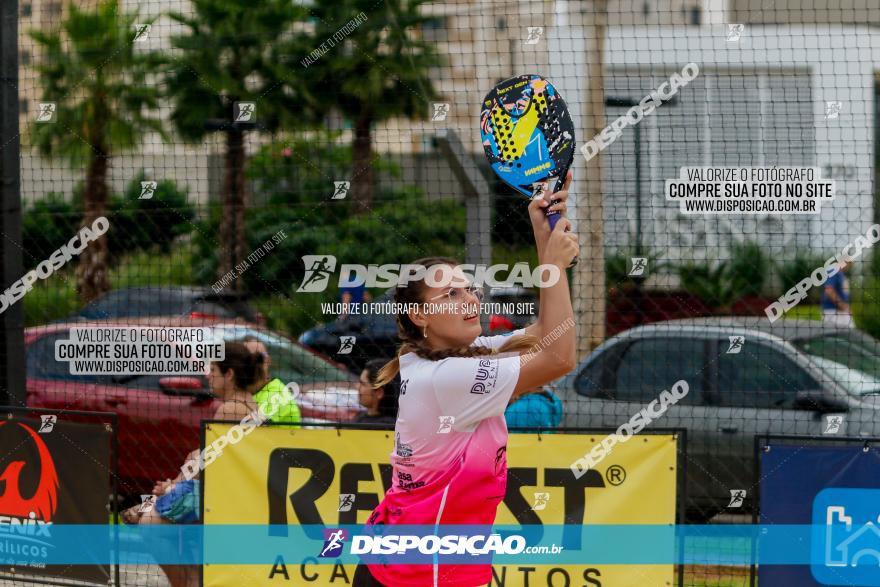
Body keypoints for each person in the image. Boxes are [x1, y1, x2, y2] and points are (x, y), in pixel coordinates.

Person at [353, 172, 579, 587]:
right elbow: (560, 357)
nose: (470, 299)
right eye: (450, 295)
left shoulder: (462, 355)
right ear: (420, 317)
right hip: (415, 575)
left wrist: (542, 232)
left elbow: (549, 331)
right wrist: (553, 268)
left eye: (468, 288)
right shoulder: (448, 376)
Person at [121, 342, 266, 587]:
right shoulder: (248, 404)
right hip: (220, 492)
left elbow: (207, 464)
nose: (207, 375)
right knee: (161, 507)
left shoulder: (231, 409)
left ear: (229, 374)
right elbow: (203, 459)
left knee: (150, 525)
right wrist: (174, 485)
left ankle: (185, 582)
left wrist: (172, 487)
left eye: (213, 369)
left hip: (222, 498)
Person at [242, 336, 302, 426]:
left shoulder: (276, 393)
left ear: (268, 360)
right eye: (248, 359)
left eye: (260, 358)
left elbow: (248, 427)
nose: (254, 363)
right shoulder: (246, 390)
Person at [354, 358, 400, 426]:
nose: (357, 386)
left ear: (379, 393)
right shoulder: (360, 416)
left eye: (363, 384)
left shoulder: (385, 425)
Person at [821, 259, 854, 328]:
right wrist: (843, 307)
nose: (849, 266)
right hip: (833, 312)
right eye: (848, 263)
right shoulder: (833, 271)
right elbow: (829, 290)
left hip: (840, 312)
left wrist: (846, 308)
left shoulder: (841, 274)